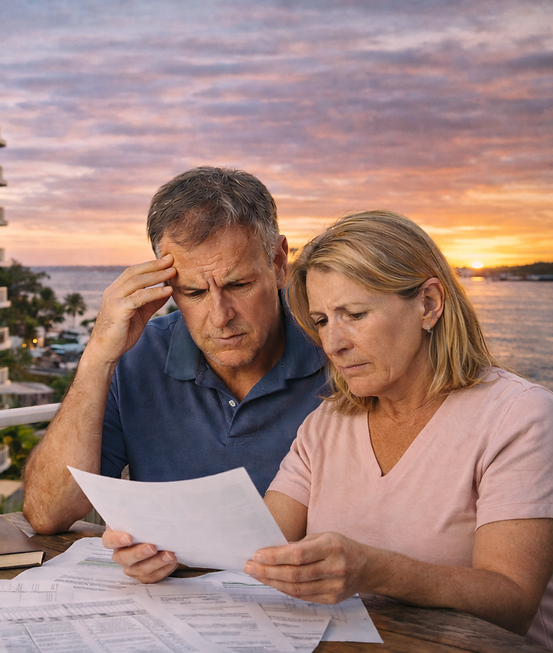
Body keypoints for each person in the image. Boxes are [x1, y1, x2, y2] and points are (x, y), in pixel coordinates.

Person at [106, 210, 553, 646]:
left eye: (354, 315)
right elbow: (253, 546)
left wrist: (374, 569)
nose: (333, 344)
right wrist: (163, 552)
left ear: (429, 304)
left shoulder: (519, 416)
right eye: (321, 321)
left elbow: (513, 600)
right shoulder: (327, 423)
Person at [23, 167, 327, 537]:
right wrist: (97, 358)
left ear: (279, 264)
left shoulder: (337, 352)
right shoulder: (137, 356)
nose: (220, 316)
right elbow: (47, 513)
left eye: (239, 284)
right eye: (194, 292)